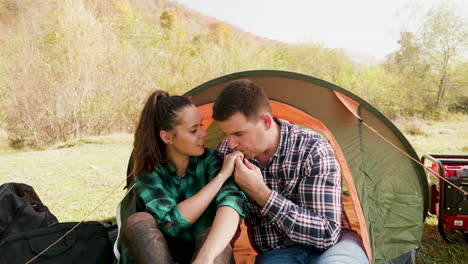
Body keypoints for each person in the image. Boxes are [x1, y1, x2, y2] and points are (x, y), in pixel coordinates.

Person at [212, 79, 369, 264]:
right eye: (227, 134)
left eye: (239, 134)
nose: (231, 144)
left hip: (335, 247)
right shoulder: (226, 154)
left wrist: (261, 193)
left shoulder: (312, 148)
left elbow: (327, 234)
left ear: (265, 121)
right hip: (277, 253)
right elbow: (224, 220)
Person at [122, 90, 248, 264]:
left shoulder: (213, 161)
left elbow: (233, 202)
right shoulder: (149, 171)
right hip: (160, 257)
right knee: (138, 221)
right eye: (193, 130)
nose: (203, 134)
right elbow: (170, 225)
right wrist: (219, 178)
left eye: (201, 126)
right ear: (167, 137)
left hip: (206, 255)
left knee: (212, 237)